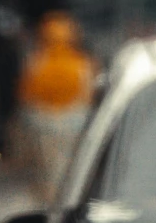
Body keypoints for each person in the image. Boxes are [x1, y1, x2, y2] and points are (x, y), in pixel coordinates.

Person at [14, 11, 97, 201]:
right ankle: (63, 199)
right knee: (67, 167)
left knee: (50, 169)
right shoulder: (82, 63)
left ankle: (54, 199)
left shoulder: (37, 61)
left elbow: (26, 96)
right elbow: (88, 95)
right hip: (69, 124)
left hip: (49, 124)